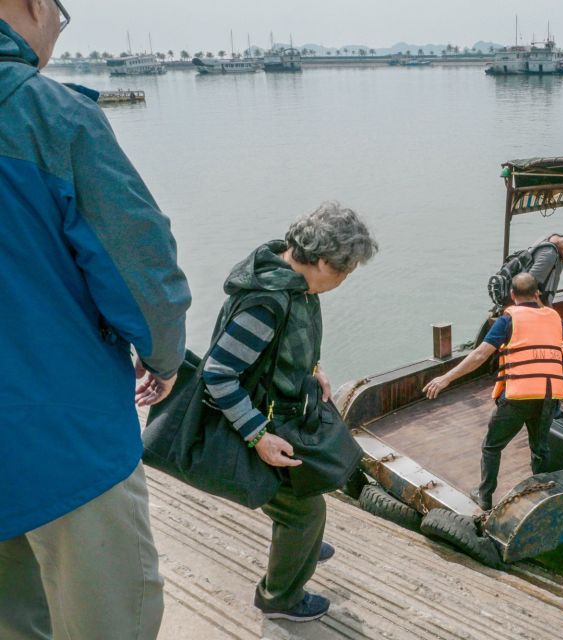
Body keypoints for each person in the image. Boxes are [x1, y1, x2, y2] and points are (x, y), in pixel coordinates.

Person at [0, 2, 192, 639]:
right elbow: (143, 271)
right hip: (62, 434)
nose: (57, 27)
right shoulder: (51, 118)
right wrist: (163, 359)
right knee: (109, 619)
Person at [202, 203, 377, 622]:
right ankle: (279, 598)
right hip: (258, 420)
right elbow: (218, 373)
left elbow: (284, 345)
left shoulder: (294, 279)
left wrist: (313, 368)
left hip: (287, 407)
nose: (343, 280)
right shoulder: (266, 304)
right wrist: (258, 437)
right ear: (320, 261)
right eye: (344, 271)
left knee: (310, 483)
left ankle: (303, 548)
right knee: (304, 512)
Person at [423, 273, 563, 510]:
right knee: (540, 447)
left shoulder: (508, 320)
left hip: (519, 395)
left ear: (513, 296)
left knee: (492, 446)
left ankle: (484, 496)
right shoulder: (553, 317)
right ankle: (542, 495)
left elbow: (481, 355)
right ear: (537, 294)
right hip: (548, 395)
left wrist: (445, 378)